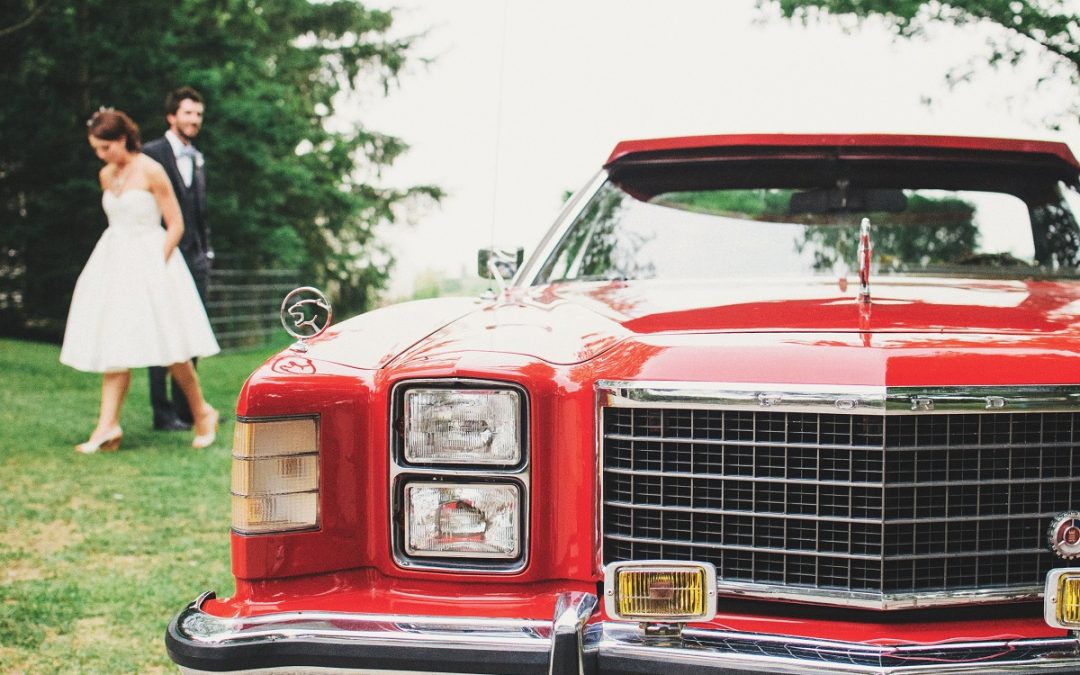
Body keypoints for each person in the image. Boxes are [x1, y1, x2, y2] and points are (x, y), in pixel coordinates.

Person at [60, 108, 220, 453]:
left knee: (171, 347)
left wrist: (156, 262)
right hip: (114, 263)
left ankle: (202, 412)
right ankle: (107, 426)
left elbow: (175, 224)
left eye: (105, 148)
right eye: (97, 150)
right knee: (114, 340)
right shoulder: (106, 175)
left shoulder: (152, 170)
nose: (101, 156)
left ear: (121, 139)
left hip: (152, 260)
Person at [141, 87, 212, 431]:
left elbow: (199, 212)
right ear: (172, 116)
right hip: (163, 256)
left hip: (195, 259)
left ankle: (189, 411)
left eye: (198, 114)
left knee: (191, 333)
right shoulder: (150, 154)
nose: (194, 120)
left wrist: (206, 251)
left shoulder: (197, 157)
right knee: (161, 332)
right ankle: (163, 412)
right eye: (188, 113)